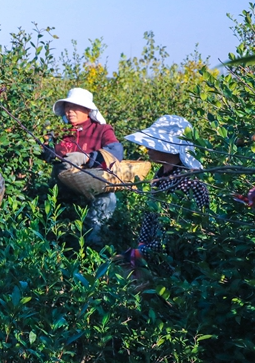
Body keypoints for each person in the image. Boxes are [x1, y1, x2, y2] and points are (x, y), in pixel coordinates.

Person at [123, 116, 209, 262]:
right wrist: (141, 247)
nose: (148, 148)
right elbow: (150, 216)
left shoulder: (190, 182)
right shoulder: (161, 174)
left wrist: (140, 254)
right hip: (156, 257)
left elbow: (177, 235)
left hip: (180, 262)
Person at [48, 87, 124, 245]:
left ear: (88, 109)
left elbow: (116, 151)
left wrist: (87, 157)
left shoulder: (102, 130)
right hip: (64, 188)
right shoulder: (61, 132)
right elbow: (47, 153)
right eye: (68, 107)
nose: (70, 111)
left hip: (94, 186)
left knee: (108, 199)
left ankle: (94, 246)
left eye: (75, 107)